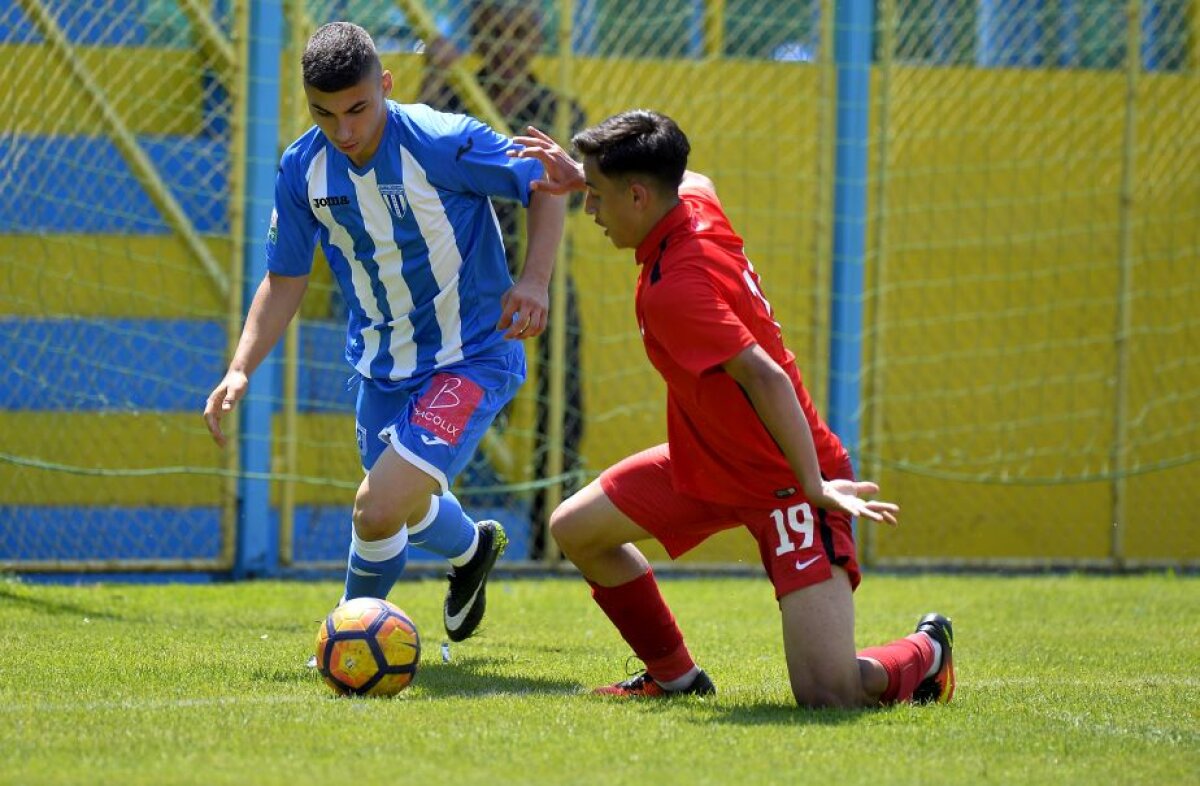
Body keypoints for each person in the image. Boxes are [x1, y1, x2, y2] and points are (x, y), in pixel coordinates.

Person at [511, 111, 955, 706]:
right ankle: (675, 678)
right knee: (576, 529)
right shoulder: (692, 204)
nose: (587, 209)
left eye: (594, 197)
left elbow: (765, 377)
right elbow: (698, 177)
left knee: (829, 695)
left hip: (787, 482)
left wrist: (814, 485)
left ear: (639, 196)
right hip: (706, 463)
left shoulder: (676, 287)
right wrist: (585, 172)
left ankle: (926, 654)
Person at [202, 21, 565, 643]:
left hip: (473, 354)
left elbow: (548, 182)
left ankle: (341, 641)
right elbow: (284, 280)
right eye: (324, 113)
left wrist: (534, 280)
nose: (344, 131)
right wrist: (239, 367)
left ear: (386, 85)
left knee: (376, 509)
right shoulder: (302, 171)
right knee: (399, 507)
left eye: (358, 109)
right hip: (381, 366)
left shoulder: (439, 139)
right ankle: (472, 549)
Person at [419, 1, 588, 551]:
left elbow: (581, 193)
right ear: (479, 39)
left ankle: (552, 535)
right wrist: (435, 77)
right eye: (497, 33)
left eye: (520, 33)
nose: (510, 46)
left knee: (563, 398)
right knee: (445, 396)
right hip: (464, 276)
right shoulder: (452, 101)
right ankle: (439, 526)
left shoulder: (557, 109)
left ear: (536, 42)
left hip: (538, 273)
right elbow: (412, 154)